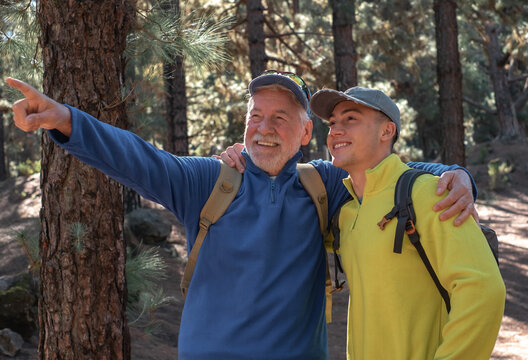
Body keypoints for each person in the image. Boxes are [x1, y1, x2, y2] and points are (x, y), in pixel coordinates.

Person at [7, 72, 475, 360]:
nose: (264, 128)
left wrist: (454, 173)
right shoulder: (208, 181)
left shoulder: (326, 186)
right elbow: (140, 159)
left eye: (281, 118)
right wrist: (65, 119)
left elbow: (393, 171)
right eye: (256, 116)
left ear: (306, 131)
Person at [308, 85, 505, 359]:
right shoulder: (346, 214)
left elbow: (483, 289)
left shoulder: (426, 193)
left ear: (386, 131)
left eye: (350, 119)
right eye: (332, 123)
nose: (335, 131)